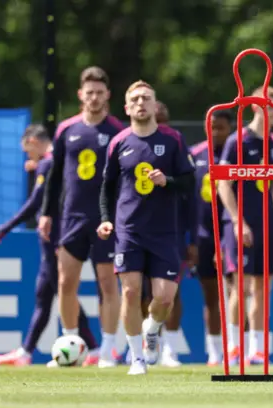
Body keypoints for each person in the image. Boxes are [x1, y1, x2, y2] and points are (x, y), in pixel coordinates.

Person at [98, 80, 195, 375]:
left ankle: (152, 328)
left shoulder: (173, 139)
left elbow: (189, 183)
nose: (141, 103)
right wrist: (105, 218)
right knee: (129, 292)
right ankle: (136, 359)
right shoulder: (118, 142)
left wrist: (168, 181)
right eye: (135, 99)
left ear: (155, 105)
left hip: (165, 231)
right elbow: (107, 187)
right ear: (127, 107)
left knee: (164, 298)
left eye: (146, 98)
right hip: (129, 230)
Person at [0, 124, 99, 367]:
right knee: (44, 294)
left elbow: (35, 204)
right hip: (50, 237)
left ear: (34, 142)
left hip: (53, 237)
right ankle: (27, 352)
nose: (28, 156)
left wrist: (4, 228)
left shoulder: (48, 163)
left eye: (27, 150)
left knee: (62, 293)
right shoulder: (48, 164)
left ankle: (91, 347)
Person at [38, 67, 124, 368]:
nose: (95, 97)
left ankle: (108, 350)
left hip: (106, 219)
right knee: (66, 282)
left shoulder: (117, 132)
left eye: (100, 92)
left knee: (107, 284)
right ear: (80, 95)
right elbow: (54, 177)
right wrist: (47, 213)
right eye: (90, 92)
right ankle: (70, 346)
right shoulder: (66, 129)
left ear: (108, 95)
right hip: (71, 218)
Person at [217, 85, 273, 366]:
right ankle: (233, 346)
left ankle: (259, 348)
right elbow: (223, 186)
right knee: (240, 287)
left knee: (264, 287)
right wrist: (238, 221)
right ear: (256, 106)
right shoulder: (237, 141)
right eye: (271, 102)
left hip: (267, 223)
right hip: (241, 222)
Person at [190, 109, 235, 366]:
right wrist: (191, 239)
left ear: (229, 128)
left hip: (229, 230)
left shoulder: (236, 154)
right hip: (203, 233)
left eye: (221, 127)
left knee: (235, 290)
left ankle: (235, 346)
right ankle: (214, 351)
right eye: (212, 127)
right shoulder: (195, 155)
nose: (216, 132)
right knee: (210, 294)